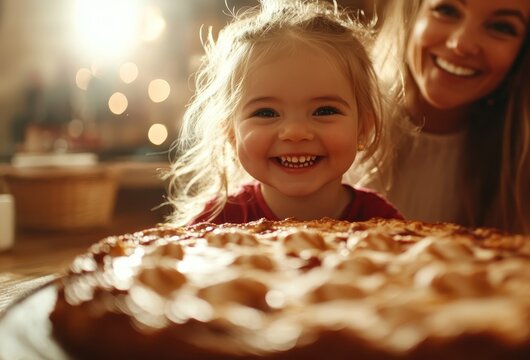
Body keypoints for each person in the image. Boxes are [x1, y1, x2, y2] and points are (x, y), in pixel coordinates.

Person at [348, 0, 530, 282]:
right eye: (447, 9)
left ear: (525, 51)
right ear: (413, 11)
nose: (461, 44)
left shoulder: (528, 129)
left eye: (501, 27)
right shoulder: (349, 106)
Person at [164, 0, 403, 226]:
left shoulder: (387, 226)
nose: (295, 133)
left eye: (324, 110)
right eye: (266, 113)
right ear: (231, 133)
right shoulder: (212, 225)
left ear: (364, 128)